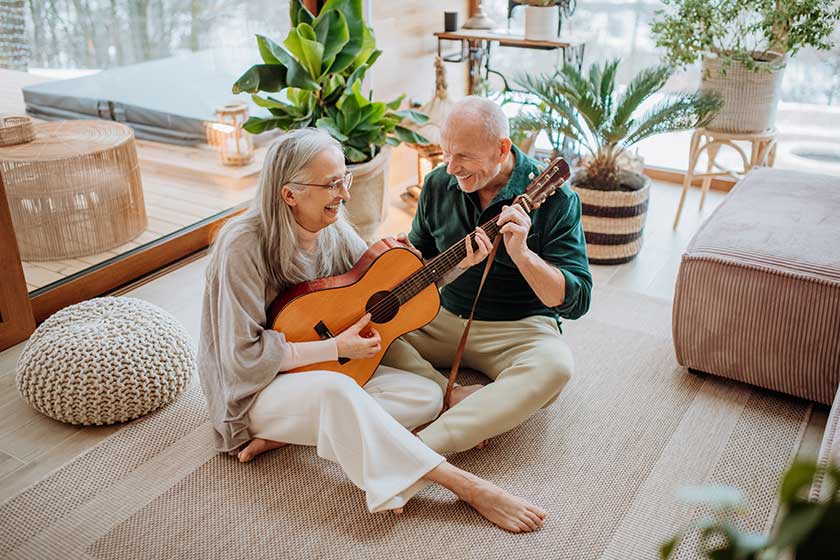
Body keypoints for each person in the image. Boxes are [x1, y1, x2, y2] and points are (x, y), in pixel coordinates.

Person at [197, 128, 547, 532]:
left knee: (425, 395)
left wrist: (460, 263)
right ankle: (464, 485)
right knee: (339, 390)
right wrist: (336, 349)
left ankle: (294, 434)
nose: (344, 194)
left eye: (343, 179)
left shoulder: (332, 227)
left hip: (314, 378)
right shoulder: (241, 246)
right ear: (288, 193)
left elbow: (383, 288)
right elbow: (240, 357)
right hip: (252, 391)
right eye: (331, 184)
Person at [390, 96, 593, 454]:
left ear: (502, 149)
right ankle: (449, 392)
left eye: (464, 156)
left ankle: (420, 450)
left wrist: (523, 255)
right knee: (370, 331)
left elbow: (576, 301)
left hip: (518, 327)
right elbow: (419, 259)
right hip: (443, 316)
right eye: (446, 153)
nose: (451, 167)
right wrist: (402, 256)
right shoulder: (438, 183)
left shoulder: (559, 201)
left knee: (556, 367)